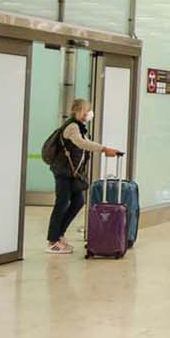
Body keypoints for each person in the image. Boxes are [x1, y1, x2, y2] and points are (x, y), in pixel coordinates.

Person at [45, 98, 120, 254]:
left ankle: (59, 234)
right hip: (63, 172)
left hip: (72, 174)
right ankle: (52, 241)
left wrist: (105, 149)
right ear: (79, 111)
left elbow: (86, 143)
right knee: (62, 203)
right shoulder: (72, 127)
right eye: (87, 110)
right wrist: (104, 149)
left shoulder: (79, 127)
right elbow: (82, 143)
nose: (89, 113)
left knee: (78, 201)